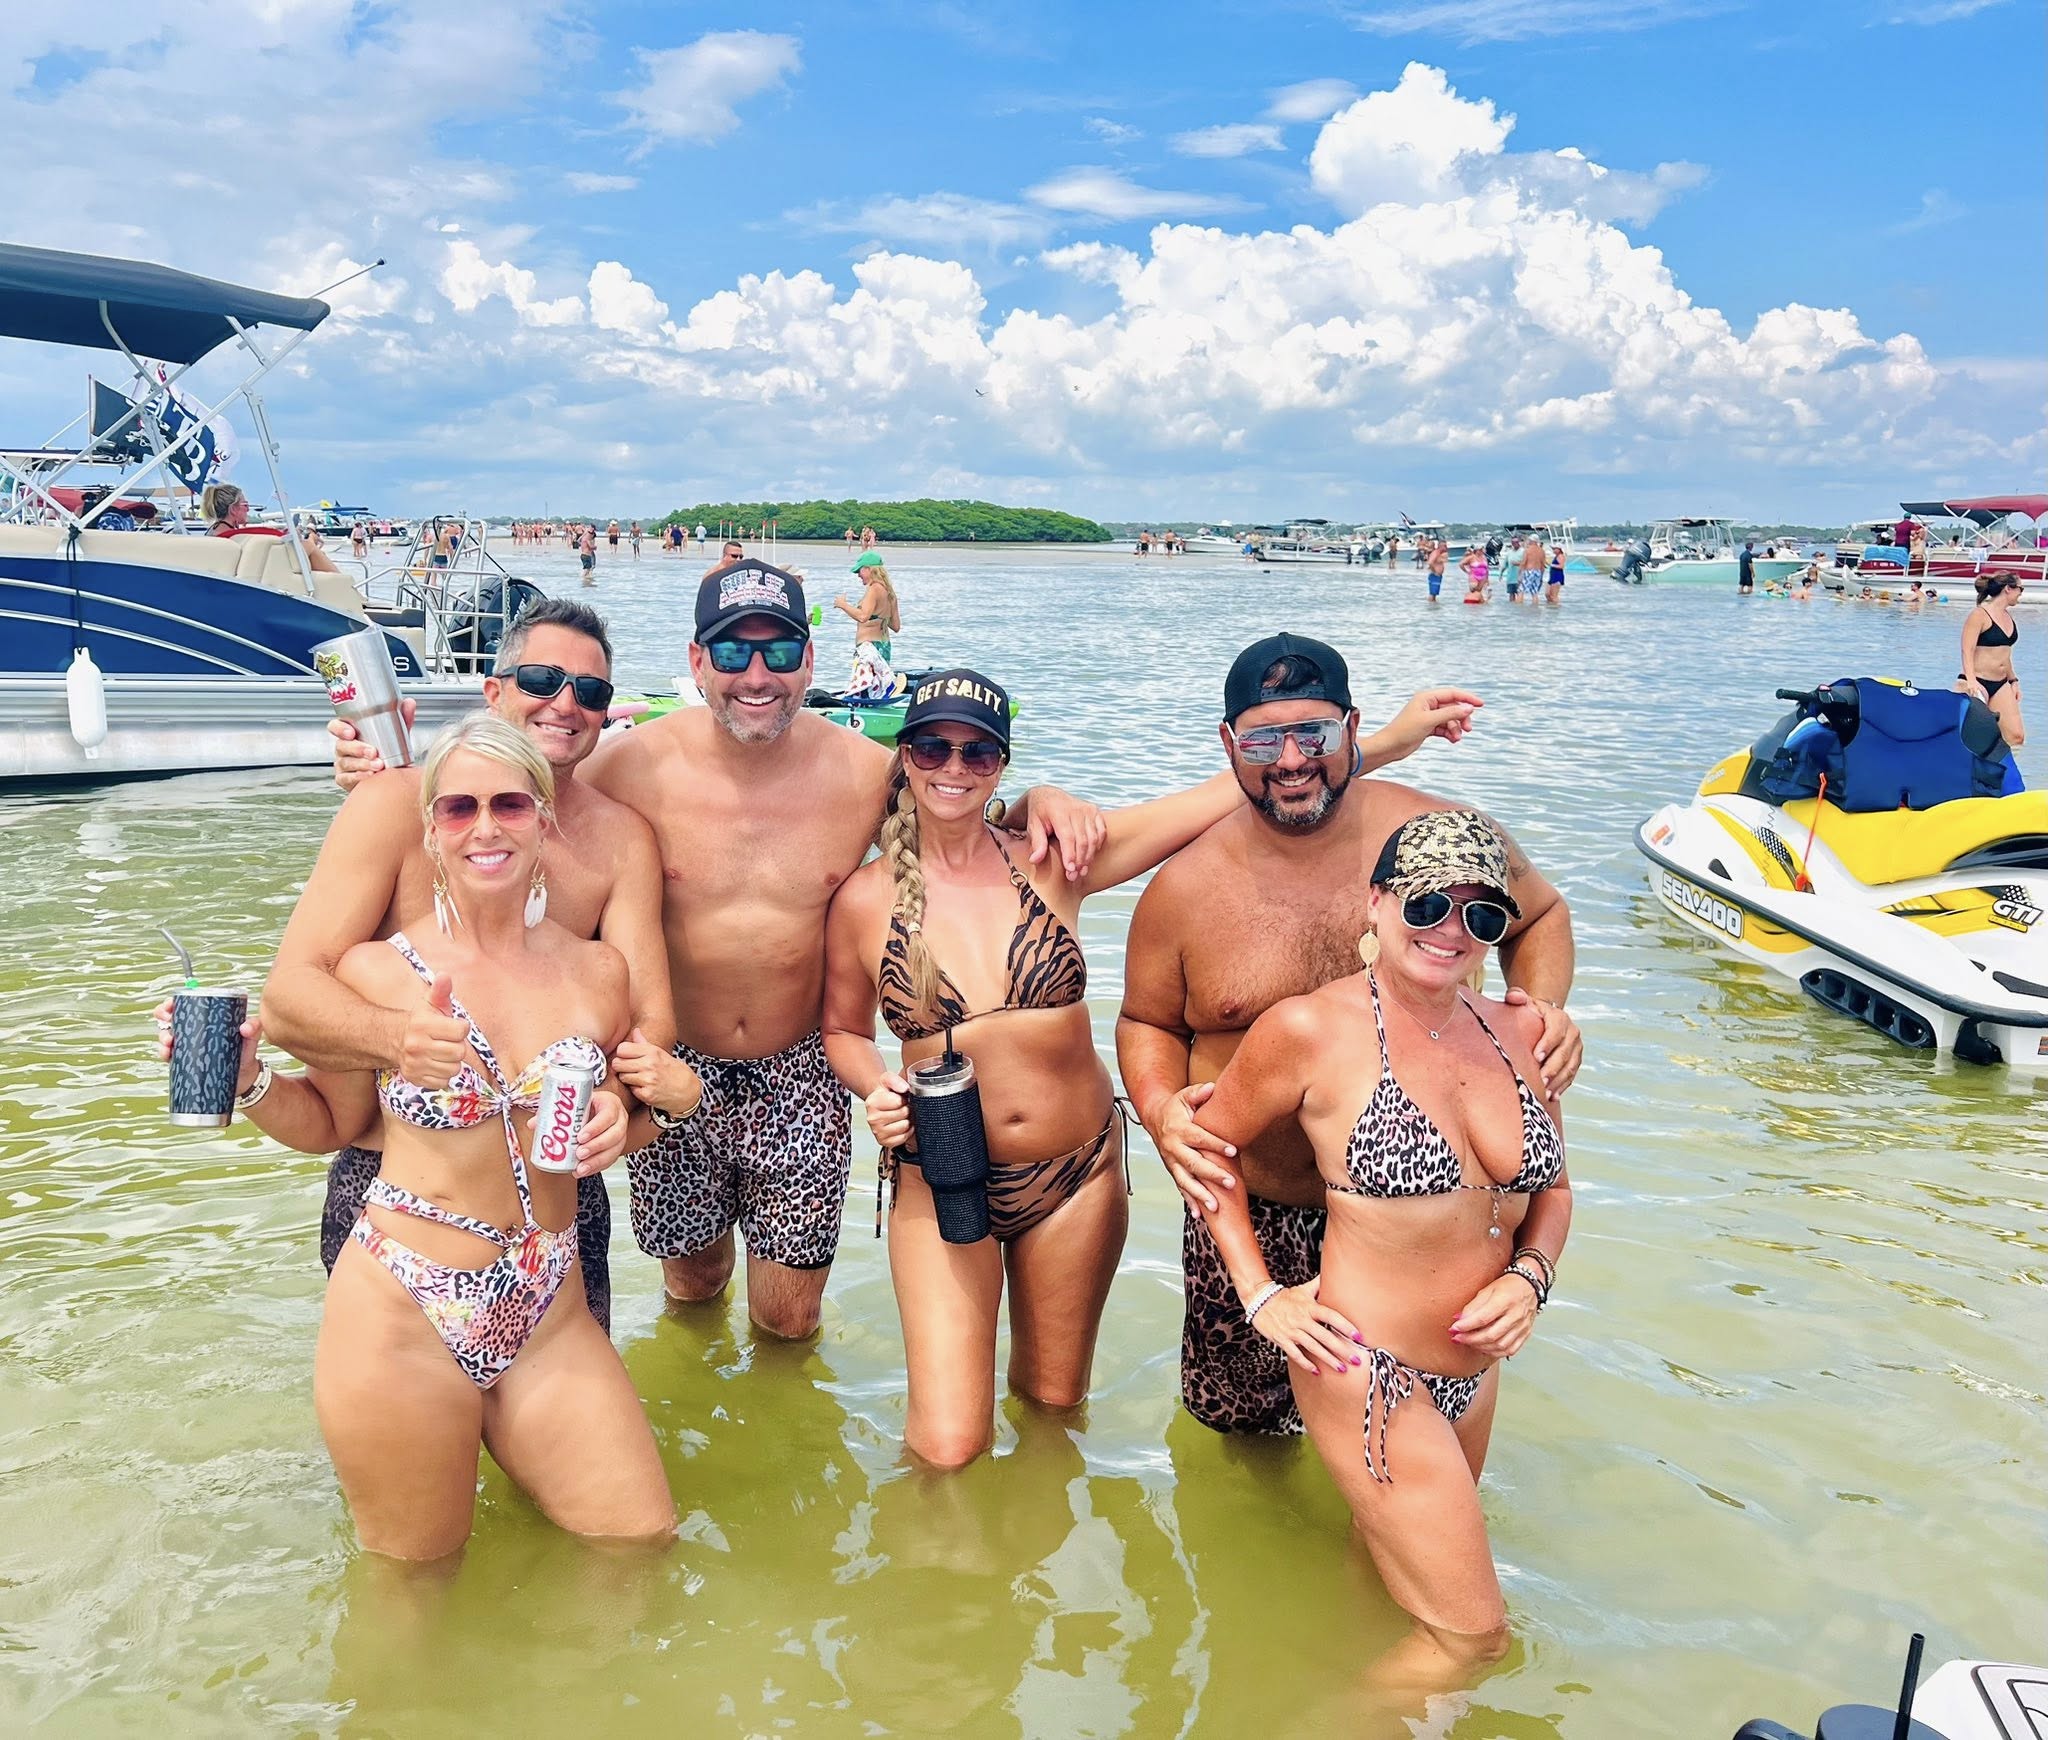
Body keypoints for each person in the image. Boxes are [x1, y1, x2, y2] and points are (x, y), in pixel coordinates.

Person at [582, 560, 1104, 1339]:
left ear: (809, 661)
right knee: (692, 1288)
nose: (756, 675)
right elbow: (518, 824)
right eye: (731, 653)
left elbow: (961, 808)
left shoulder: (866, 773)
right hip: (673, 1065)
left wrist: (1042, 801)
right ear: (696, 662)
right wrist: (380, 775)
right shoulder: (625, 768)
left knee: (789, 1319)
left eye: (780, 652)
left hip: (803, 1072)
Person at [1115, 634, 1581, 1442]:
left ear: (1353, 729)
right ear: (1229, 744)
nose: (1291, 760)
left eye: (1316, 735)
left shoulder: (1438, 839)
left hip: (1417, 1217)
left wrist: (1532, 1020)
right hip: (1251, 1210)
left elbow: (1539, 914)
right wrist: (1162, 1112)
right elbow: (1146, 1021)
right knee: (1243, 1439)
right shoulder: (1184, 888)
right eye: (1263, 739)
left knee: (1411, 1449)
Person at [252, 715, 673, 1558]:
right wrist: (247, 1084)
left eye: (511, 804)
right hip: (403, 1306)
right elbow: (330, 1124)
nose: (485, 827)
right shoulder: (377, 973)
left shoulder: (597, 972)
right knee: (415, 1586)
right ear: (431, 831)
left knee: (641, 1547)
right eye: (457, 809)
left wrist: (640, 1117)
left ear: (545, 821)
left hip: (550, 1308)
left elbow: (646, 1102)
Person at [822, 670, 1250, 1467]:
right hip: (941, 1178)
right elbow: (843, 1029)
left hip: (1078, 1174)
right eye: (933, 746)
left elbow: (1217, 798)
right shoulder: (864, 898)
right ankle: (942, 1583)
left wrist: (1385, 741)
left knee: (1055, 1412)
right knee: (948, 1445)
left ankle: (1039, 1573)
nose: (955, 767)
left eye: (979, 751)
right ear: (905, 757)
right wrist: (875, 1087)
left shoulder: (1055, 860)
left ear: (1002, 764)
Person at [1192, 808, 1570, 1682]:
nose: (1451, 931)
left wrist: (1532, 1278)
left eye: (1481, 915)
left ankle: (1319, 1674)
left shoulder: (1522, 1034)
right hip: (1369, 1373)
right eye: (1429, 902)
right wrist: (1260, 1294)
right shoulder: (1309, 1031)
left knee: (1391, 1594)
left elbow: (1552, 1190)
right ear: (1376, 903)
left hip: (1474, 1375)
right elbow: (1205, 1147)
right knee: (1472, 1640)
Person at [266, 597, 690, 1335]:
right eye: (541, 679)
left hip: (556, 1195)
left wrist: (624, 1105)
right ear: (492, 692)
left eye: (589, 692)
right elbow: (292, 994)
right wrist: (398, 1038)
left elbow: (650, 1020)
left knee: (569, 1433)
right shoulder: (399, 803)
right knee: (410, 1442)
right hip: (400, 1186)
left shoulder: (620, 839)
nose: (565, 704)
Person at [200, 482, 343, 574]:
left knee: (308, 547)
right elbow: (277, 535)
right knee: (308, 545)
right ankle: (345, 588)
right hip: (262, 578)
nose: (248, 509)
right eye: (245, 505)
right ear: (233, 509)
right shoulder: (234, 535)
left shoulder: (214, 533)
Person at [1960, 571, 2025, 747]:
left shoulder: (2008, 617)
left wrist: (2013, 680)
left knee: (2016, 737)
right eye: (2021, 589)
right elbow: (1967, 650)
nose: (2021, 593)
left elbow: (2004, 653)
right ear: (2008, 589)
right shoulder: (1979, 614)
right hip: (1976, 681)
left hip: (2001, 683)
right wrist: (1971, 681)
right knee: (1973, 739)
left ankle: (2003, 773)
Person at [834, 553, 902, 686]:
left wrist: (843, 605)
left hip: (868, 647)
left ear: (869, 569)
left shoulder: (874, 588)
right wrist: (880, 617)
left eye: (859, 571)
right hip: (884, 646)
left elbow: (863, 616)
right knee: (878, 686)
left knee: (864, 686)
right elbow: (896, 626)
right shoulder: (890, 592)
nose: (858, 575)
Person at [1515, 535, 1543, 603]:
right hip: (1538, 571)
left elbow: (1523, 563)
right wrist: (1541, 576)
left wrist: (1519, 574)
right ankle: (1535, 608)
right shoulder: (1541, 551)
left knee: (1521, 590)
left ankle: (1517, 609)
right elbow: (1543, 565)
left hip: (1529, 571)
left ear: (1531, 541)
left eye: (1529, 540)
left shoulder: (1527, 550)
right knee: (1535, 592)